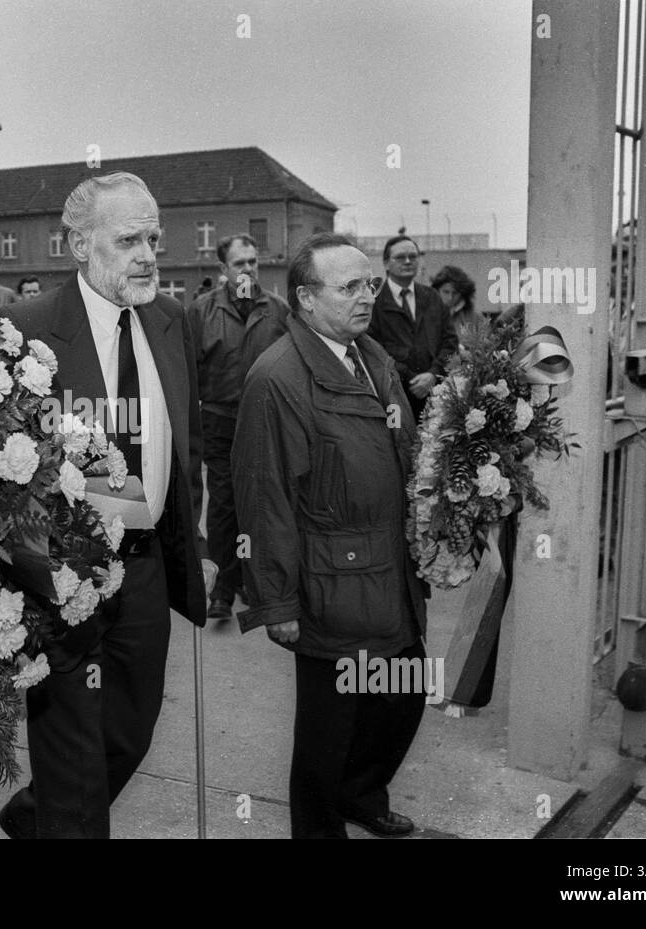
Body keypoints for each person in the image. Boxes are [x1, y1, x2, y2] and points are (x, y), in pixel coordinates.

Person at [0, 171, 216, 839]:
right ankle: (59, 815)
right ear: (80, 246)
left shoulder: (172, 321)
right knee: (73, 761)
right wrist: (35, 565)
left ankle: (35, 815)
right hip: (62, 578)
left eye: (153, 237)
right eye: (128, 240)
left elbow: (190, 443)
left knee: (129, 734)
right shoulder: (25, 329)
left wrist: (195, 545)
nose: (149, 254)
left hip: (145, 566)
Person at [233, 233, 429, 840]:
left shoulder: (372, 358)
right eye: (349, 287)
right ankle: (320, 828)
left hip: (389, 569)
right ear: (306, 300)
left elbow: (404, 450)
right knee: (329, 729)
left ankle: (361, 796)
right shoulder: (280, 378)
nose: (367, 296)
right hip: (330, 581)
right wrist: (277, 602)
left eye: (369, 284)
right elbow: (265, 498)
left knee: (401, 696)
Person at [187, 233, 290, 622]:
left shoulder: (278, 310)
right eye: (239, 263)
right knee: (225, 503)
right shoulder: (200, 311)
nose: (248, 269)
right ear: (222, 270)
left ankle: (258, 582)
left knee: (264, 502)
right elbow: (189, 370)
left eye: (253, 262)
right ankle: (223, 589)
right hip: (219, 420)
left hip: (266, 420)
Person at [366, 235, 457, 421]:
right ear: (386, 264)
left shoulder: (432, 297)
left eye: (413, 256)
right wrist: (412, 379)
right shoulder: (373, 304)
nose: (408, 261)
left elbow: (450, 342)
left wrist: (432, 374)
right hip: (394, 398)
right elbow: (374, 351)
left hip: (435, 396)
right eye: (400, 257)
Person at [431, 265, 479, 348]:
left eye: (455, 293)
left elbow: (485, 348)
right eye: (446, 292)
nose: (450, 298)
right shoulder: (426, 314)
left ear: (463, 293)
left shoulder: (476, 317)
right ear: (437, 290)